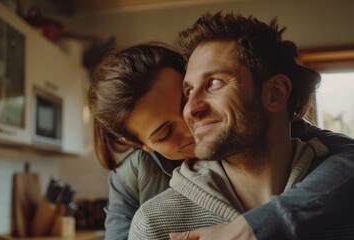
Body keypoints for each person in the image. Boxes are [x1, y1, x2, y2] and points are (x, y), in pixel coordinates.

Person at [89, 42, 354, 240]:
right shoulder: (135, 190)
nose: (192, 123)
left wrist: (263, 223)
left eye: (186, 99)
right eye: (165, 133)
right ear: (143, 145)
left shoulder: (276, 131)